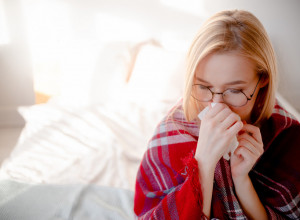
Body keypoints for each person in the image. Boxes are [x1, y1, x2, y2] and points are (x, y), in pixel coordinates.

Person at [134, 9, 300, 219]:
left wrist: (242, 181)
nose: (217, 106)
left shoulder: (287, 137)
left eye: (234, 91)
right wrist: (203, 163)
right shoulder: (172, 132)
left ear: (263, 80)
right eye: (204, 87)